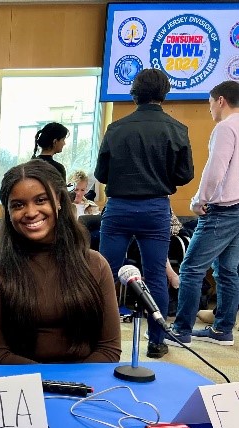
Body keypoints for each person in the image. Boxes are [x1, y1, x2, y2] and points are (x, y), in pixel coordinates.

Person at [0, 160, 121, 364]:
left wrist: (75, 387)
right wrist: (52, 386)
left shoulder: (95, 264)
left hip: (87, 387)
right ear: (8, 212)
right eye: (18, 205)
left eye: (41, 200)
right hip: (20, 388)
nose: (31, 212)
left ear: (59, 200)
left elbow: (109, 349)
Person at [94, 68, 194, 358]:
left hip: (119, 208)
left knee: (104, 274)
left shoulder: (115, 129)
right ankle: (157, 341)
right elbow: (184, 174)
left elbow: (101, 173)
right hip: (155, 208)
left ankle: (97, 335)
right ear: (165, 93)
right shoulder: (177, 129)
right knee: (155, 276)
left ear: (133, 93)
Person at [170, 80, 239, 347]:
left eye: (210, 103)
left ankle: (180, 331)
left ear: (220, 100)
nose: (209, 109)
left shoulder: (225, 128)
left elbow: (215, 170)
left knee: (190, 268)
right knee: (227, 270)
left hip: (222, 210)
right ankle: (222, 330)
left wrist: (200, 200)